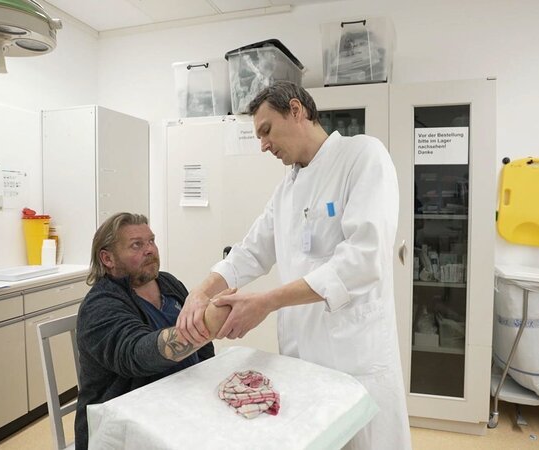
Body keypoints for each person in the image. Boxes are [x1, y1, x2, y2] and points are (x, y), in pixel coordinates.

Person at [177, 81, 411, 449]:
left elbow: (363, 259)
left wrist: (266, 302)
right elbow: (250, 250)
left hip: (355, 357)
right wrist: (201, 291)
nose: (264, 145)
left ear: (297, 110)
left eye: (266, 130)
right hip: (303, 357)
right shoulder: (287, 188)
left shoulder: (362, 156)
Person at [75, 212, 230, 449]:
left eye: (151, 241)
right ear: (107, 259)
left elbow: (204, 351)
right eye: (137, 245)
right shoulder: (100, 305)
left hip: (182, 404)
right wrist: (207, 324)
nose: (150, 250)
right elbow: (136, 353)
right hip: (122, 427)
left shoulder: (168, 283)